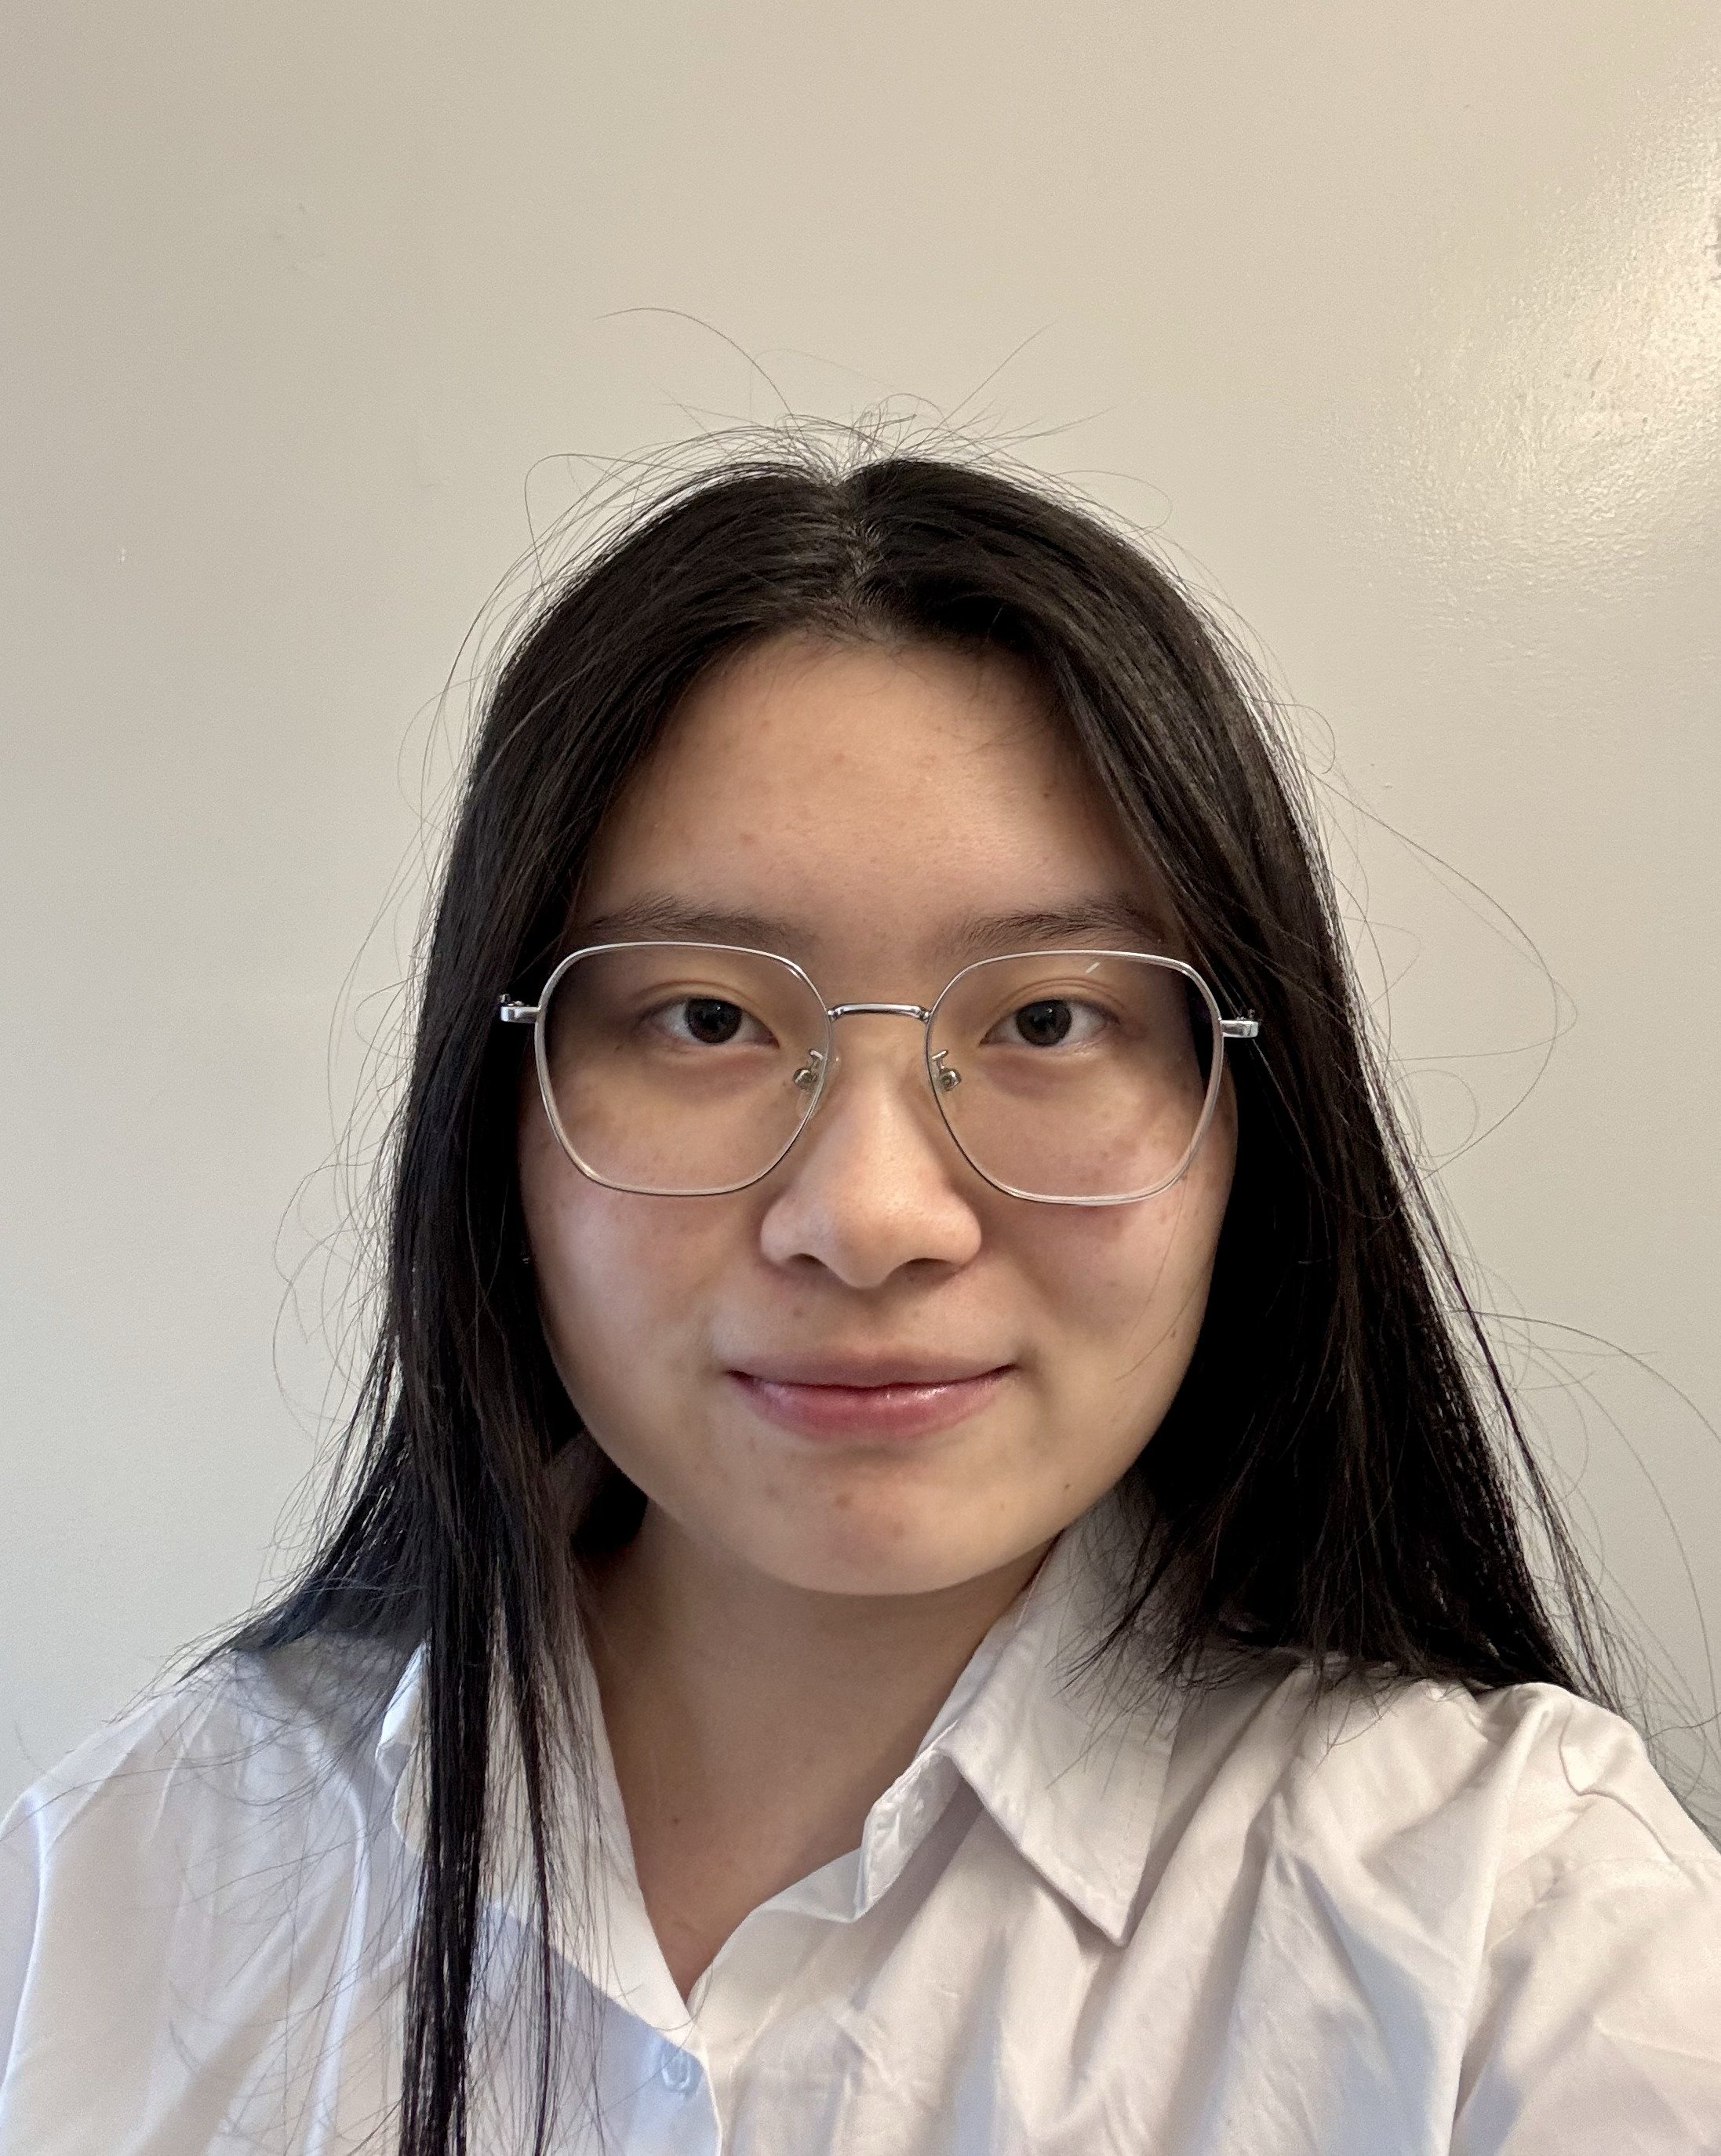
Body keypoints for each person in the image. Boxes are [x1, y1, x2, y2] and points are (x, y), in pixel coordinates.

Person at [2, 438, 1718, 2156]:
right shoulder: (130, 1884)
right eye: (701, 1018)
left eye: (1049, 1020)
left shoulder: (1518, 1933)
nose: (868, 1216)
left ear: (1239, 1127)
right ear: (498, 1112)